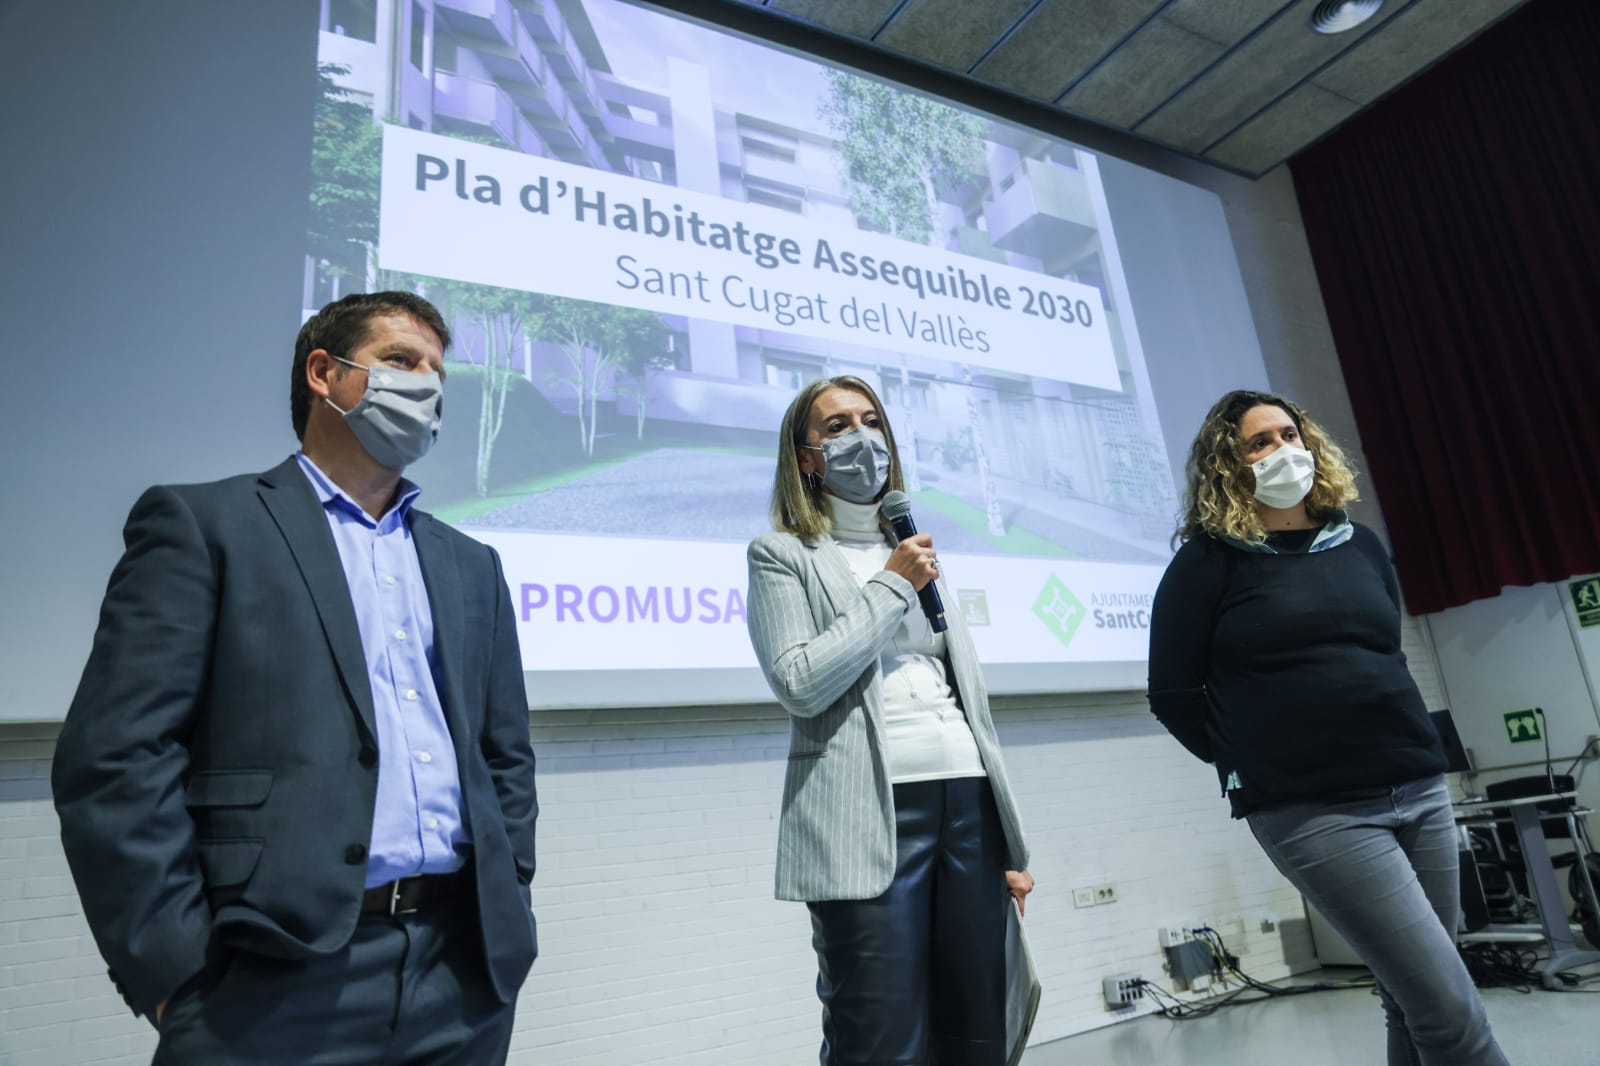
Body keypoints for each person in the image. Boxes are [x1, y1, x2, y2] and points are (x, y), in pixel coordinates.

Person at [52, 292, 539, 1064]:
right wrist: (175, 973)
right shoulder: (205, 527)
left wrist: (511, 886)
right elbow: (116, 758)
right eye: (400, 362)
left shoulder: (470, 566)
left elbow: (502, 752)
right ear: (324, 372)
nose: (427, 386)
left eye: (437, 373)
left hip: (460, 975)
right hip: (269, 981)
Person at [1147, 389, 1509, 1066]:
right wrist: (1251, 762)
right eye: (1259, 442)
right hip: (1314, 811)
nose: (1282, 450)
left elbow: (1384, 653)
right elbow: (1172, 695)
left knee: (1413, 998)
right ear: (1229, 464)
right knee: (1450, 1009)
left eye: (1289, 434)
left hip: (1418, 786)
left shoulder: (1360, 545)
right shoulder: (1206, 565)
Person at [745, 375, 1035, 1066]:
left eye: (871, 420)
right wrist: (894, 584)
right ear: (807, 458)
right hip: (865, 814)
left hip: (965, 798)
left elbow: (967, 693)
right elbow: (800, 681)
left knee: (977, 1031)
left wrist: (1007, 841)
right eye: (838, 426)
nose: (862, 438)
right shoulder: (783, 555)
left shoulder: (915, 549)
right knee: (879, 1040)